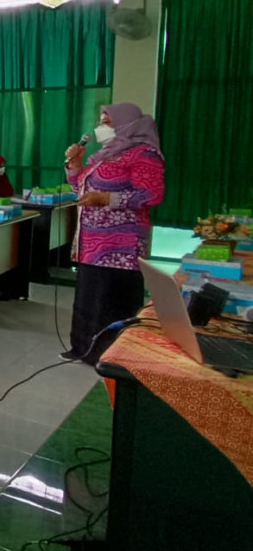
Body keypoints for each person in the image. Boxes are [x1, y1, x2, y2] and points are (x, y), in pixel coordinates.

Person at [63, 104, 165, 363]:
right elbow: (82, 191)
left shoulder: (144, 154)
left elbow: (152, 194)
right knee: (89, 298)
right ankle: (84, 349)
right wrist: (75, 165)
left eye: (107, 122)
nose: (101, 127)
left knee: (111, 301)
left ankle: (111, 355)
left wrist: (109, 198)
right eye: (101, 121)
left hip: (122, 245)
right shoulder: (103, 156)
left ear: (127, 124)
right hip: (92, 242)